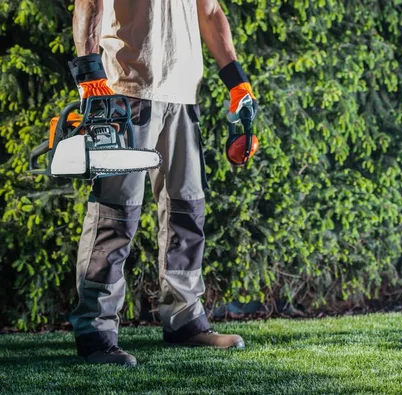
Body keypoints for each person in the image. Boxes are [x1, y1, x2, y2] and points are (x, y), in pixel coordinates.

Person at [69, 0, 259, 366]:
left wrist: (237, 81)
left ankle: (185, 319)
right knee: (115, 215)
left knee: (186, 212)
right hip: (125, 91)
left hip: (184, 96)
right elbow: (88, 3)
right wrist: (89, 71)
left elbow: (209, 11)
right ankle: (95, 331)